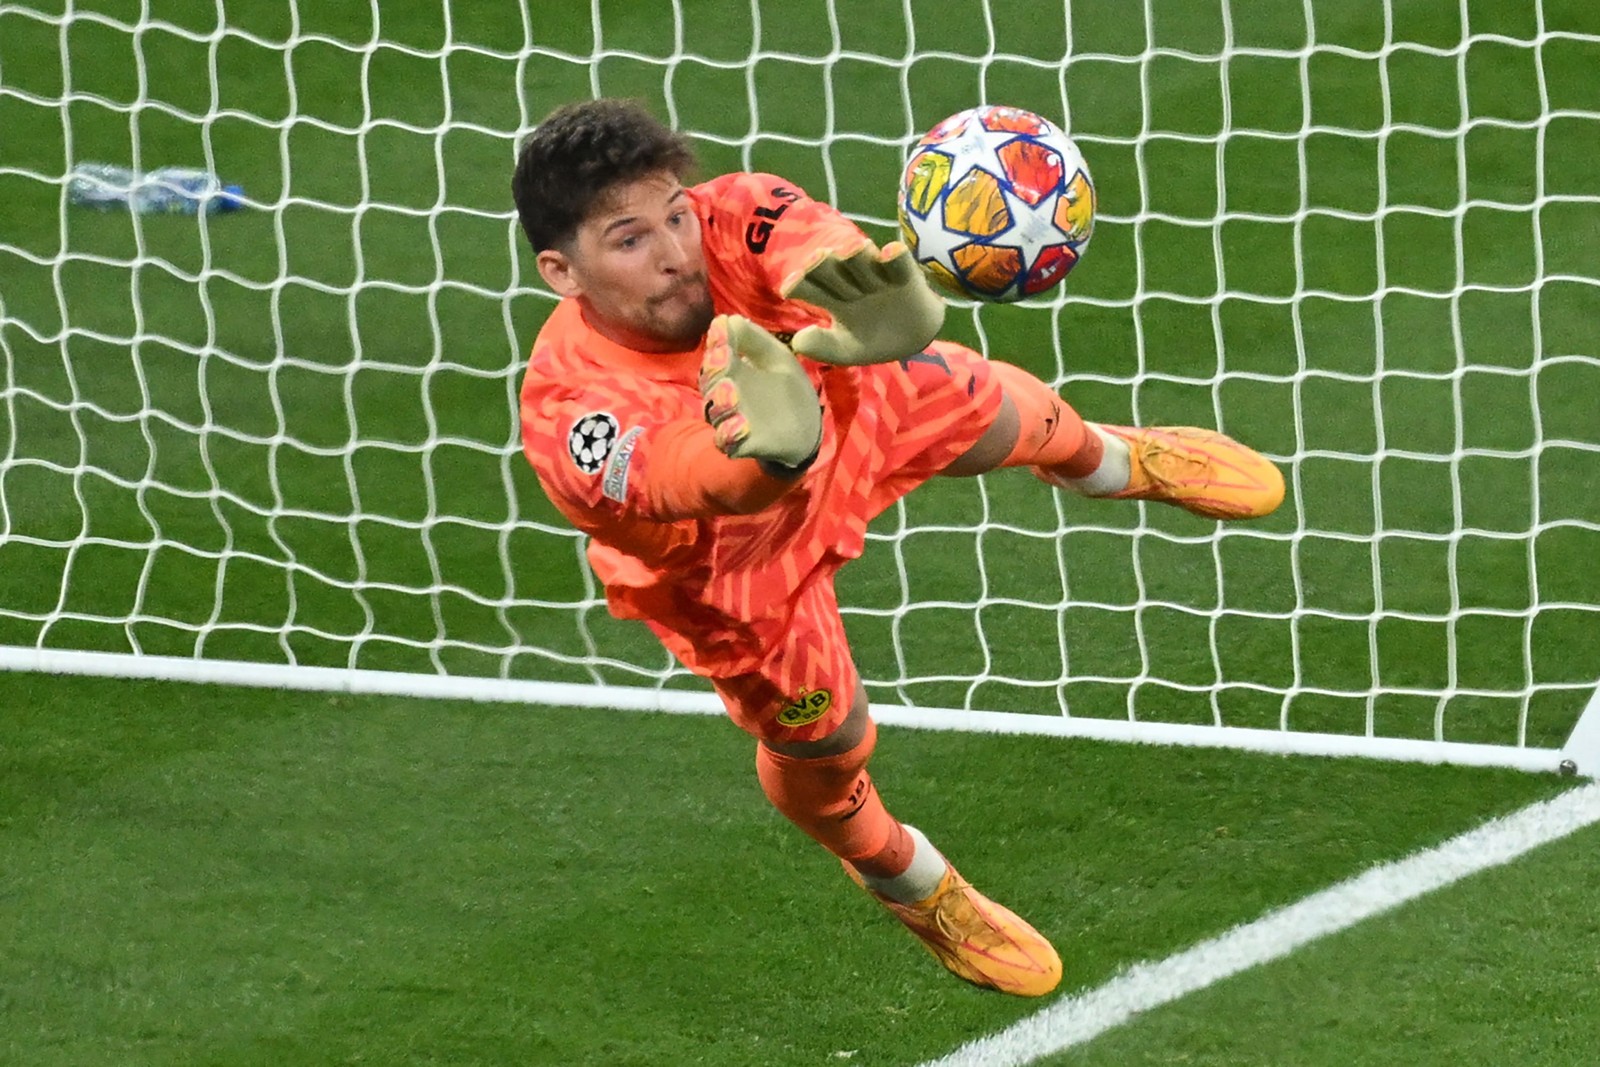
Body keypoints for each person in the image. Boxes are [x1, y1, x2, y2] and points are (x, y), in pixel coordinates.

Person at [512, 98, 1283, 998]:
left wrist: (888, 308)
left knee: (1004, 413)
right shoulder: (572, 414)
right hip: (738, 567)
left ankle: (1115, 462)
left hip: (841, 407)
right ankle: (908, 879)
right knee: (826, 744)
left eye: (675, 213)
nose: (677, 250)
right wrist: (773, 456)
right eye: (631, 239)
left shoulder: (733, 212)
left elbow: (816, 250)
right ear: (563, 271)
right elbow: (694, 478)